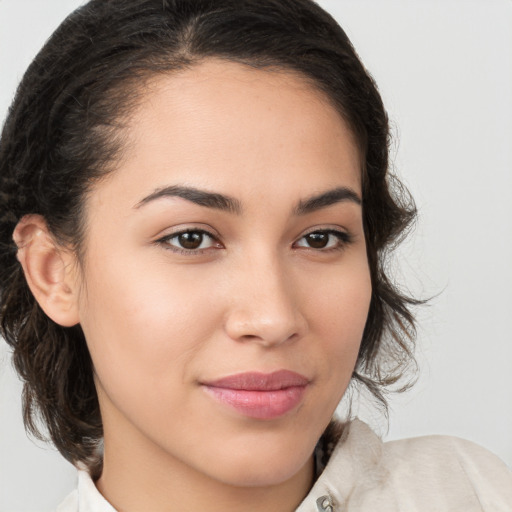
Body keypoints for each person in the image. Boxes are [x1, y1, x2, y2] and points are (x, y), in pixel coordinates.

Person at [0, 0, 511, 511]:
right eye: (191, 239)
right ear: (53, 272)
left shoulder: (475, 493)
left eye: (320, 238)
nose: (273, 318)